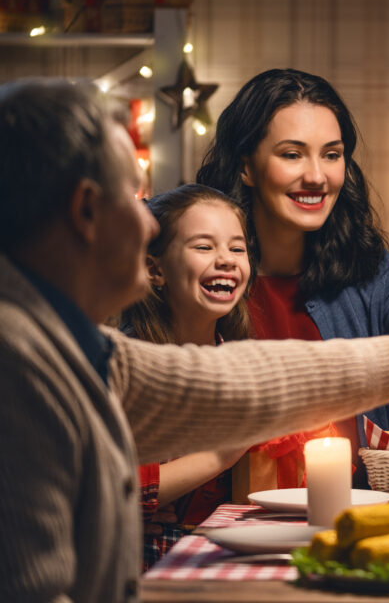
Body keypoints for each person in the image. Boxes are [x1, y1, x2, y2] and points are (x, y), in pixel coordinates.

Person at [0, 78, 389, 603]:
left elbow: (230, 382)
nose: (149, 223)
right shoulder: (17, 359)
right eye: (134, 196)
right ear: (86, 211)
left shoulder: (66, 344)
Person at [196, 69, 389, 489]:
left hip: (349, 527)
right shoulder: (197, 271)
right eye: (292, 154)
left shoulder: (370, 272)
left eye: (331, 155)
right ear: (246, 167)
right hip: (223, 529)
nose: (317, 176)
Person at [117, 184, 253, 570]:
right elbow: (115, 484)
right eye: (204, 246)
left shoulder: (242, 364)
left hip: (227, 564)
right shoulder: (130, 366)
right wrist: (222, 454)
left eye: (237, 248)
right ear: (155, 269)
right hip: (144, 570)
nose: (226, 259)